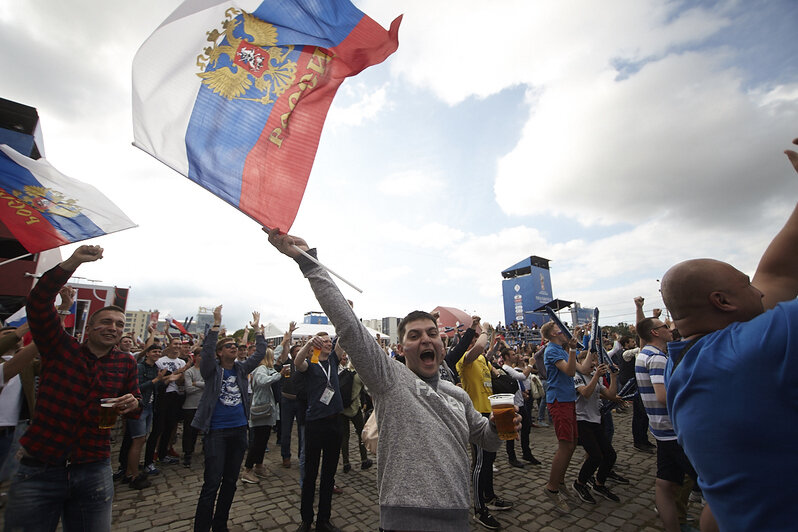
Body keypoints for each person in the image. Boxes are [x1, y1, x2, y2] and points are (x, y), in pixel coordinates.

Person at [267, 229, 514, 532]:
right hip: (403, 521)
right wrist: (311, 264)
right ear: (400, 349)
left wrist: (498, 425)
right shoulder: (390, 380)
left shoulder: (458, 396)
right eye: (415, 335)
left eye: (432, 334)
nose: (426, 339)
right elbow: (348, 325)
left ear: (442, 345)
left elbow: (485, 438)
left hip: (457, 520)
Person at [660, 139, 798, 532]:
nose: (758, 290)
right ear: (722, 301)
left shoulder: (686, 361)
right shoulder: (756, 348)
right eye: (745, 284)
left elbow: (779, 275)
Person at [4, 245, 141, 532]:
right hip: (40, 468)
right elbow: (38, 303)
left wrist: (133, 404)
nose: (113, 328)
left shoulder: (126, 364)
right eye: (105, 322)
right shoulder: (59, 348)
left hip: (93, 468)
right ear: (89, 328)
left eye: (119, 324)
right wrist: (73, 262)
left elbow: (135, 405)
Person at [192, 306, 265, 532]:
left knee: (230, 482)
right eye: (229, 346)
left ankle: (220, 524)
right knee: (212, 483)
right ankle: (202, 527)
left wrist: (258, 331)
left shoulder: (241, 370)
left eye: (236, 346)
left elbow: (259, 354)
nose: (235, 348)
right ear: (220, 352)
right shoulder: (212, 371)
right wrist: (216, 324)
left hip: (239, 430)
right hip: (216, 432)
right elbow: (205, 353)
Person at [293, 331, 344, 532]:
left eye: (328, 341)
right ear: (316, 344)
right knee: (311, 473)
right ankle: (306, 520)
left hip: (335, 422)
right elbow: (298, 362)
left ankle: (324, 520)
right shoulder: (311, 363)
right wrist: (307, 345)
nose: (328, 344)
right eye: (323, 341)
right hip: (315, 423)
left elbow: (342, 340)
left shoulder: (333, 359)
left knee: (329, 474)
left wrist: (343, 319)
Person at [540, 320, 593, 514]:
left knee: (572, 443)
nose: (564, 331)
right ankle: (551, 488)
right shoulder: (552, 350)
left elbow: (584, 369)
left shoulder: (561, 349)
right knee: (565, 444)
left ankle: (559, 481)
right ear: (553, 334)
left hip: (567, 399)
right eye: (559, 329)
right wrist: (572, 350)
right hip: (559, 400)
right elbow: (571, 372)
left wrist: (589, 343)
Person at [572, 353, 623, 504]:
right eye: (590, 361)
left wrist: (613, 377)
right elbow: (585, 393)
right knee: (595, 456)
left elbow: (610, 395)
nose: (593, 364)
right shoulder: (576, 376)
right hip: (581, 420)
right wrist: (596, 377)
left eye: (594, 361)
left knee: (610, 455)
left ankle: (599, 484)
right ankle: (580, 483)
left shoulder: (595, 375)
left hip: (595, 419)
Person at [241, 346, 281, 484]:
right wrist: (279, 374)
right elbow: (263, 381)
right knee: (258, 441)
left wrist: (285, 341)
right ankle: (247, 470)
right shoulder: (260, 369)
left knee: (263, 440)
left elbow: (277, 354)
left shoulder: (265, 368)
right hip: (261, 409)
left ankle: (259, 465)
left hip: (266, 409)